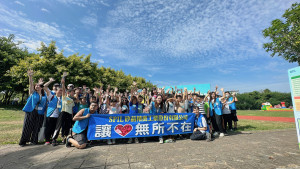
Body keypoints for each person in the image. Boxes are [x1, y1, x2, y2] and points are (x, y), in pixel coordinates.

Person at [19, 70, 47, 146]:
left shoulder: (44, 95)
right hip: (31, 111)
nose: (37, 86)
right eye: (36, 85)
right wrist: (30, 77)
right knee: (27, 126)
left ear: (41, 87)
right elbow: (31, 84)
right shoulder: (32, 93)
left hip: (40, 113)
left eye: (39, 85)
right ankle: (23, 141)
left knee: (37, 126)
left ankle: (34, 140)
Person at [52, 72, 75, 145]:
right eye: (70, 92)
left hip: (69, 114)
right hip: (63, 113)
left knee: (67, 127)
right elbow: (63, 88)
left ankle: (66, 139)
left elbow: (71, 108)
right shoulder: (64, 97)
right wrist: (63, 82)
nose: (72, 93)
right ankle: (54, 139)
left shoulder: (71, 100)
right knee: (58, 126)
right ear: (67, 93)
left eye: (72, 92)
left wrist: (71, 116)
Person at [43, 77, 63, 146]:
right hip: (50, 115)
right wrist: (50, 81)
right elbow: (44, 87)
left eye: (61, 90)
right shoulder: (51, 96)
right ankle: (47, 140)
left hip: (58, 116)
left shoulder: (62, 98)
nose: (61, 92)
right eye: (59, 90)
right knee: (48, 128)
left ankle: (54, 139)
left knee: (55, 129)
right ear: (56, 91)